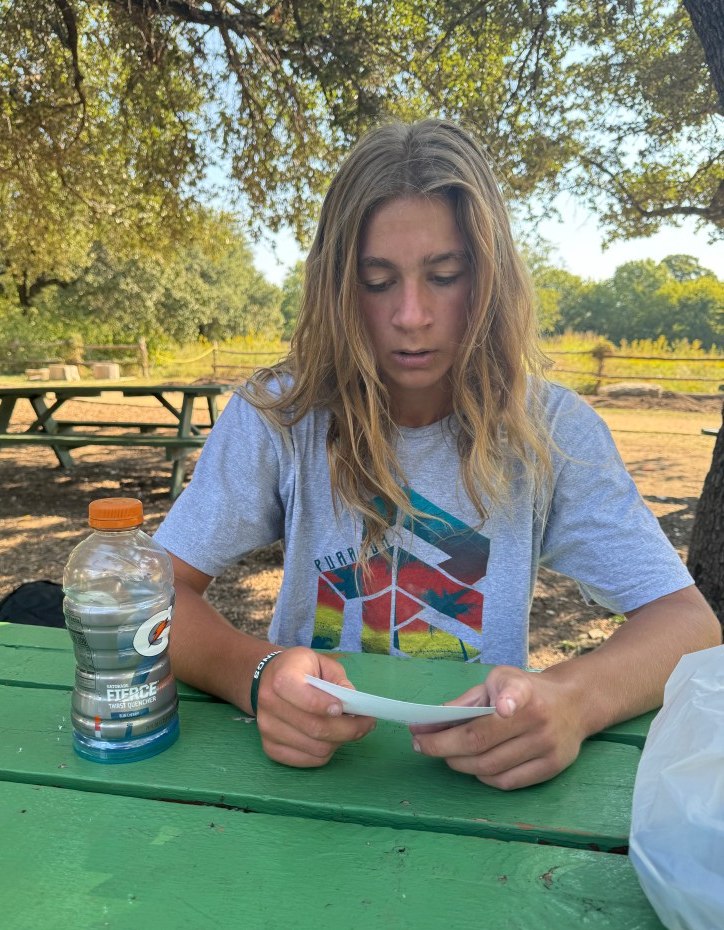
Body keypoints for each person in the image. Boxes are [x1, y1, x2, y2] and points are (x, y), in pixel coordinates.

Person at [154, 118, 721, 790]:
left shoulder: (554, 430)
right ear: (336, 286)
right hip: (306, 784)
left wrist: (574, 698)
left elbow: (688, 624)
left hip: (478, 790)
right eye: (377, 280)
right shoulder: (281, 415)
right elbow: (153, 592)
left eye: (444, 275)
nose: (412, 315)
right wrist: (255, 675)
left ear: (489, 280)